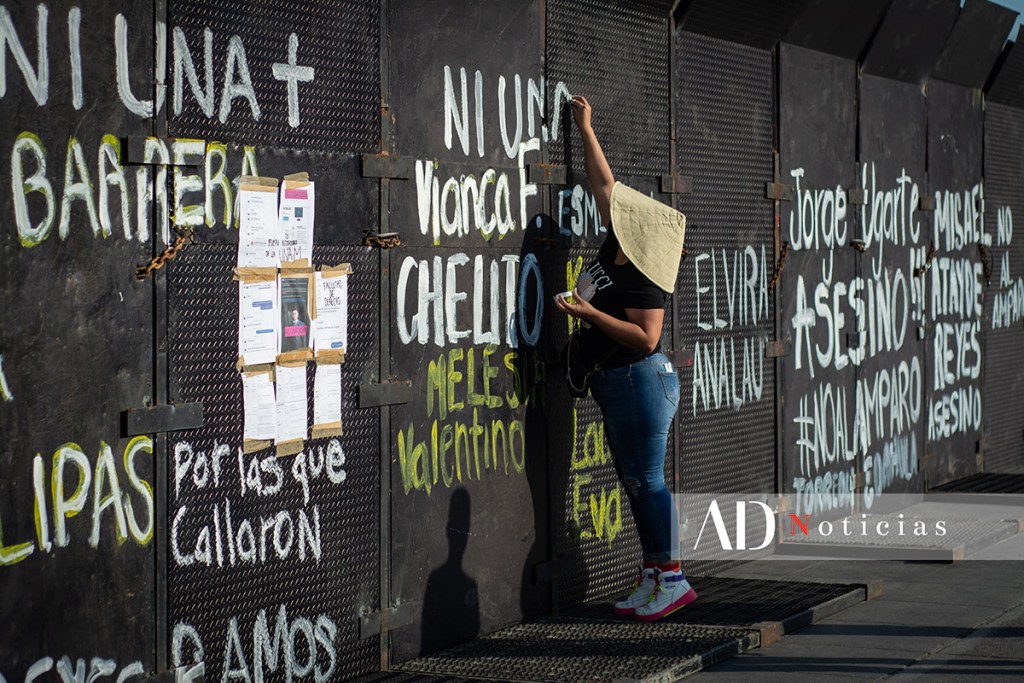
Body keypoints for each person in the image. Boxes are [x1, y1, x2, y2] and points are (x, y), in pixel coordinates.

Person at [554, 95, 695, 622]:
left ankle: (673, 578)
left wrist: (588, 315)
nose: (618, 211)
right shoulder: (617, 243)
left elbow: (645, 337)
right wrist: (586, 129)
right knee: (635, 481)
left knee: (647, 481)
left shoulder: (643, 274)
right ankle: (654, 573)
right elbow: (604, 184)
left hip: (640, 380)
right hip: (620, 384)